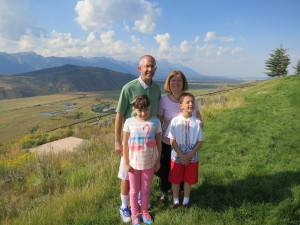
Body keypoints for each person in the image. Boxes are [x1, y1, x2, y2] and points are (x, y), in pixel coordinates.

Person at [115, 55, 161, 223]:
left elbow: (157, 113)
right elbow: (119, 115)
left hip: (148, 142)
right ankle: (125, 206)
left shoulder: (156, 89)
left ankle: (141, 205)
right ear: (139, 68)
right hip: (131, 143)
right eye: (146, 66)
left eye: (152, 66)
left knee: (144, 175)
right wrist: (117, 140)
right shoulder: (128, 88)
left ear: (155, 68)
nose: (149, 69)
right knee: (127, 174)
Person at [157, 71, 203, 202]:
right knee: (166, 169)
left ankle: (182, 191)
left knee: (185, 166)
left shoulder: (190, 99)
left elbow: (198, 115)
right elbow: (159, 121)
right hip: (168, 141)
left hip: (188, 143)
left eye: (179, 80)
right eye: (173, 80)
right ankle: (165, 191)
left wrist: (200, 122)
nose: (176, 83)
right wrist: (157, 139)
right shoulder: (164, 100)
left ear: (184, 83)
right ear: (168, 83)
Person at [123, 95, 162, 225]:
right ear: (134, 109)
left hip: (149, 162)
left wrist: (158, 161)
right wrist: (126, 162)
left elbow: (158, 142)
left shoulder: (155, 122)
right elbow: (125, 144)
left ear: (150, 108)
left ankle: (144, 211)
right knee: (133, 191)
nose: (143, 113)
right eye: (140, 110)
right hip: (133, 164)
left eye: (146, 110)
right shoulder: (129, 122)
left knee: (145, 189)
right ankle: (134, 213)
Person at [166, 92, 203, 207]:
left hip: (192, 156)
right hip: (177, 156)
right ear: (181, 105)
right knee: (176, 179)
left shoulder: (197, 122)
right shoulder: (175, 121)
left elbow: (200, 141)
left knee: (188, 179)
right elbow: (172, 140)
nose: (191, 104)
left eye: (192, 102)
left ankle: (186, 201)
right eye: (187, 102)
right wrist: (182, 155)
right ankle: (176, 200)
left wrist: (189, 155)